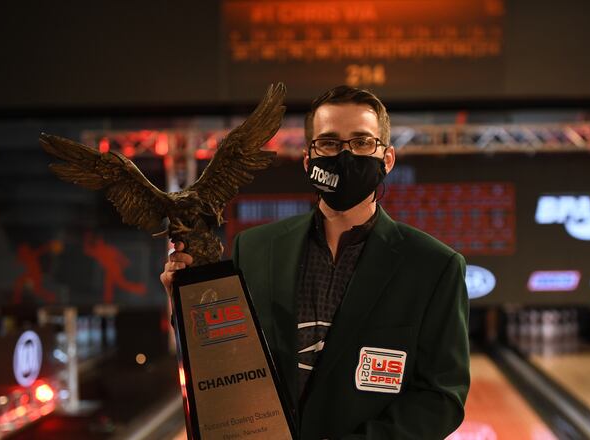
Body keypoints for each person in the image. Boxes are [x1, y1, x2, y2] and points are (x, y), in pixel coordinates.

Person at [161, 85, 470, 439]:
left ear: (387, 159)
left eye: (362, 142)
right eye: (329, 142)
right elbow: (228, 357)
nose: (345, 154)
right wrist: (184, 304)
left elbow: (442, 397)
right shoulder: (255, 248)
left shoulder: (433, 266)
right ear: (309, 160)